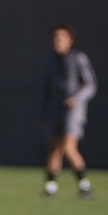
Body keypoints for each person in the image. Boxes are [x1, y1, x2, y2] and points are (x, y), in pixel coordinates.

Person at [40, 24, 96, 198]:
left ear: (70, 40)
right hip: (55, 110)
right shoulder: (50, 60)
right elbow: (47, 89)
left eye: (62, 37)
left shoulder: (78, 58)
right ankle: (50, 187)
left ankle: (84, 185)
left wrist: (76, 99)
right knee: (54, 148)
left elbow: (90, 84)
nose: (58, 41)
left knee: (69, 148)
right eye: (56, 38)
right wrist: (43, 111)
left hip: (73, 112)